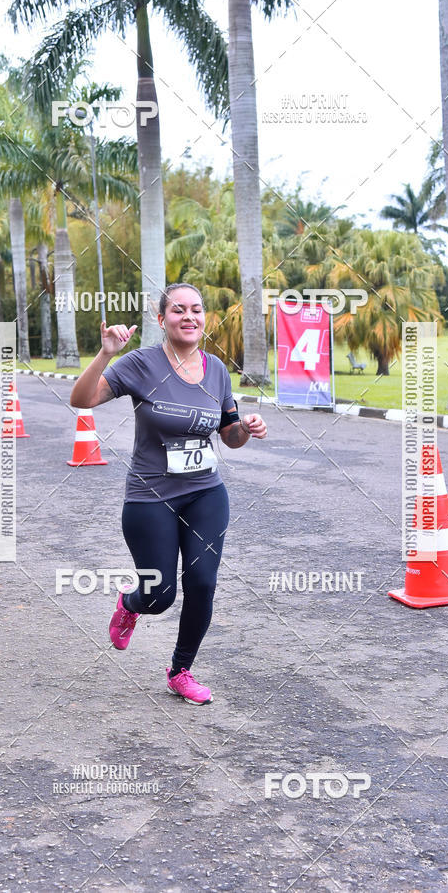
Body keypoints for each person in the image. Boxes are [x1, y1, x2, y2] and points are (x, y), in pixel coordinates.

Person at [70, 283, 267, 705]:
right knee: (159, 596)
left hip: (205, 493)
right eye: (178, 310)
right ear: (162, 319)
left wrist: (245, 429)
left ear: (204, 318)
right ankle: (129, 604)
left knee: (203, 582)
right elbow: (80, 398)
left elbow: (229, 436)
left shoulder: (216, 369)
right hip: (150, 497)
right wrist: (106, 352)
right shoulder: (141, 364)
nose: (189, 316)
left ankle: (180, 671)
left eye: (196, 309)